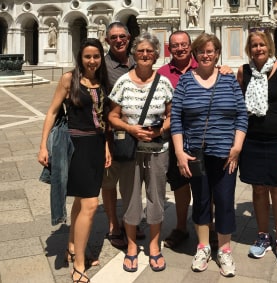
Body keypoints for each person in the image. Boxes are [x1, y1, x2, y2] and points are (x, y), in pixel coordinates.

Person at [171, 33, 248, 277]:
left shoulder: (228, 79)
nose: (206, 55)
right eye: (202, 51)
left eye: (211, 51)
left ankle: (224, 249)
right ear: (196, 54)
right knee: (201, 199)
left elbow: (241, 115)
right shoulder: (185, 81)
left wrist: (237, 147)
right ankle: (203, 246)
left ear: (217, 54)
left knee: (225, 201)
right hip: (196, 154)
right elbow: (176, 120)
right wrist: (180, 153)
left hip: (227, 154)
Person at [37, 39, 111, 283]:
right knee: (90, 204)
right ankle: (79, 263)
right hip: (75, 146)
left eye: (96, 56)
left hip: (96, 146)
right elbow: (52, 111)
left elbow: (104, 118)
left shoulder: (103, 81)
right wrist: (43, 146)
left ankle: (72, 244)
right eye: (87, 56)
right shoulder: (69, 79)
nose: (92, 61)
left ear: (101, 58)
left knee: (82, 199)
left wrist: (107, 146)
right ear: (80, 58)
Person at [158, 31, 235, 251]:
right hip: (176, 140)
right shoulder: (162, 73)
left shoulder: (209, 68)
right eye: (175, 45)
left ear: (190, 46)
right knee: (181, 185)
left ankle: (209, 229)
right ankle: (182, 227)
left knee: (206, 188)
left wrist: (225, 69)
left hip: (203, 141)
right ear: (170, 48)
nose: (180, 49)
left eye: (184, 45)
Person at [108, 33, 174, 273]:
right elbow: (112, 116)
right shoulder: (123, 82)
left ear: (156, 55)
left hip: (158, 149)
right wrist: (131, 128)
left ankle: (155, 246)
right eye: (140, 51)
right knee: (131, 196)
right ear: (134, 54)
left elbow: (171, 115)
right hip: (131, 149)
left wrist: (158, 131)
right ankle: (133, 245)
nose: (145, 55)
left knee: (157, 196)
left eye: (149, 51)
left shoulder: (164, 82)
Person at [236, 31, 277, 267]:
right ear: (248, 49)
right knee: (259, 189)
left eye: (262, 44)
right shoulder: (244, 72)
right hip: (253, 141)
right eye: (254, 45)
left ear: (269, 47)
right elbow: (236, 103)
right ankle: (263, 235)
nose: (258, 49)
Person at [101, 22, 140, 249]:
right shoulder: (102, 65)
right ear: (108, 40)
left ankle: (130, 222)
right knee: (108, 181)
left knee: (131, 181)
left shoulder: (138, 61)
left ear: (128, 38)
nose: (118, 40)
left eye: (122, 36)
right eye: (114, 37)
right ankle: (113, 224)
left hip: (134, 133)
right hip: (109, 133)